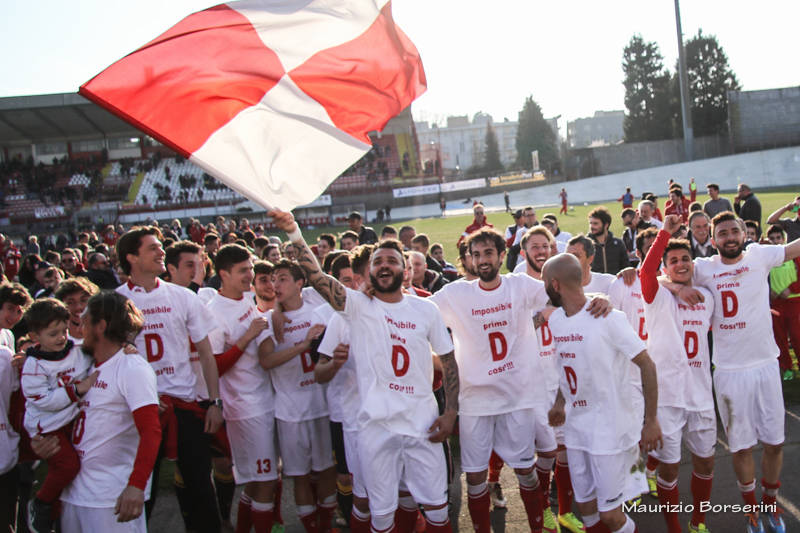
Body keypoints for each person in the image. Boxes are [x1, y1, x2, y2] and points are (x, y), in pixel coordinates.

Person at [269, 208, 459, 533]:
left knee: (438, 514)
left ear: (405, 269)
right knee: (381, 516)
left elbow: (450, 362)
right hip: (377, 430)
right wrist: (293, 232)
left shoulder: (425, 309)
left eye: (392, 260)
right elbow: (317, 277)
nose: (385, 265)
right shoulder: (357, 307)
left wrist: (452, 412)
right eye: (378, 262)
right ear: (369, 272)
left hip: (423, 426)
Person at [685, 211, 800, 532]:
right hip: (729, 372)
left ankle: (770, 505)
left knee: (775, 442)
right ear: (713, 238)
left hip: (765, 366)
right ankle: (751, 512)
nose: (730, 238)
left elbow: (795, 248)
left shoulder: (759, 255)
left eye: (734, 231)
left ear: (743, 233)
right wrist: (679, 289)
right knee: (741, 446)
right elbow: (667, 275)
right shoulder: (703, 268)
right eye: (723, 234)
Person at [116, 226, 223, 532]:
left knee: (201, 489)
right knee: (140, 493)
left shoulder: (182, 296)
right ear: (132, 257)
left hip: (184, 408)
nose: (161, 251)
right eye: (152, 248)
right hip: (138, 412)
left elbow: (206, 354)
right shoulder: (115, 301)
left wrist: (214, 402)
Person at [544, 253, 661, 533]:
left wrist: (651, 420)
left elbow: (647, 364)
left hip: (610, 430)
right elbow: (566, 367)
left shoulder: (609, 318)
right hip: (577, 428)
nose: (543, 288)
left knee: (610, 514)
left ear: (556, 285)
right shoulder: (557, 320)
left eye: (545, 283)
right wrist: (560, 403)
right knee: (587, 510)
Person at [44, 291, 160, 533]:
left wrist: (136, 485)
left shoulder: (131, 367)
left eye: (85, 321)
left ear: (101, 326)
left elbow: (151, 431)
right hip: (73, 494)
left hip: (110, 498)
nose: (80, 328)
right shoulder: (81, 365)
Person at [640, 216, 715, 533]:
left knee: (706, 463)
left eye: (686, 259)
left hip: (700, 395)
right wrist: (665, 233)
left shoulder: (706, 298)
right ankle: (674, 527)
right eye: (674, 261)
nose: (681, 264)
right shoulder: (656, 297)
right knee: (669, 469)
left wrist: (683, 288)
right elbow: (646, 272)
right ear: (665, 267)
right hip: (667, 398)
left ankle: (698, 522)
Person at [205, 245, 280, 533]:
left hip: (265, 399)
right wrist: (246, 338)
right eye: (243, 271)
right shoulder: (214, 313)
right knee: (264, 482)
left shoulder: (248, 299)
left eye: (250, 268)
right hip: (245, 408)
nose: (250, 275)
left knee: (260, 479)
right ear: (223, 274)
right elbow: (213, 366)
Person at [259, 259, 333, 533]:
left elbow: (321, 279)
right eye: (272, 280)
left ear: (299, 283)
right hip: (290, 410)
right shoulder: (268, 320)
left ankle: (325, 525)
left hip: (321, 404)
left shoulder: (318, 307)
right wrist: (303, 346)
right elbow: (266, 361)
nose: (275, 285)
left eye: (282, 279)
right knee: (300, 475)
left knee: (326, 469)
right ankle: (311, 527)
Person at [20, 299, 96, 532]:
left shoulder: (76, 348)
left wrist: (126, 349)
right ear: (35, 337)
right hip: (48, 427)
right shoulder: (33, 365)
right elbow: (43, 400)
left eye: (64, 330)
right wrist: (76, 390)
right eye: (53, 334)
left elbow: (99, 355)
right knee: (67, 466)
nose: (62, 337)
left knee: (82, 470)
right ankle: (41, 504)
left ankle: (54, 514)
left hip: (72, 419)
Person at [766, 226, 800, 381]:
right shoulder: (766, 260)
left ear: (784, 239)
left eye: (778, 238)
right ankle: (786, 368)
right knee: (779, 338)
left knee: (796, 336)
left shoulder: (794, 256)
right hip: (775, 304)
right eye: (772, 239)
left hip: (794, 301)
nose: (775, 241)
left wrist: (791, 289)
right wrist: (769, 293)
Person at [54, 277, 100, 345]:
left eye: (84, 300)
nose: (78, 307)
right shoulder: (57, 340)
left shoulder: (105, 334)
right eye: (70, 302)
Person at [587, 207, 629, 275]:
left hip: (614, 283)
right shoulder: (585, 244)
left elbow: (626, 267)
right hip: (594, 284)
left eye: (595, 223)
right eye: (590, 223)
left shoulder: (618, 244)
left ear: (606, 225)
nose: (592, 226)